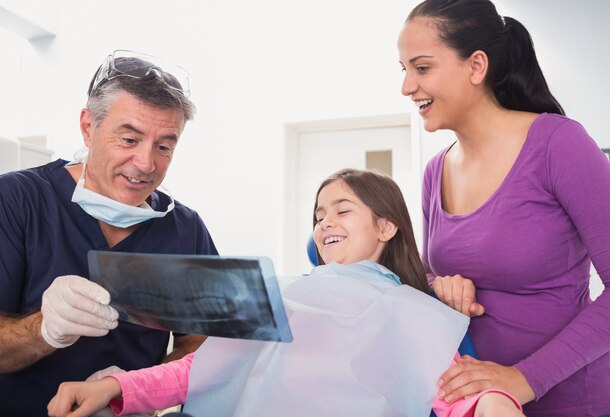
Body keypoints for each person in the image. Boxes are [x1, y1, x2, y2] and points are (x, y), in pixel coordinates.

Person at [47, 169, 524, 417]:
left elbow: (455, 389)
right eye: (318, 215)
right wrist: (112, 387)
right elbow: (204, 369)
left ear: (386, 225)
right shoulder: (286, 295)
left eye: (342, 210)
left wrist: (494, 402)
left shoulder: (417, 312)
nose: (325, 223)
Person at [397, 1, 610, 416]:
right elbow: (431, 274)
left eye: (422, 68)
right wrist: (440, 287)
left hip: (578, 406)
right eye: (404, 70)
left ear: (476, 65)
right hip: (479, 409)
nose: (407, 86)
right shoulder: (435, 171)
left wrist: (523, 379)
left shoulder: (559, 144)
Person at [0, 50, 218, 416]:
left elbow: (203, 343)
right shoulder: (16, 201)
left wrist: (132, 390)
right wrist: (45, 329)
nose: (146, 164)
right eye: (129, 140)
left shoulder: (186, 230)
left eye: (164, 146)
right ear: (88, 127)